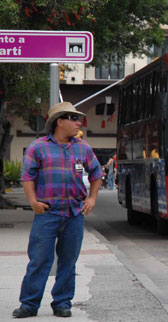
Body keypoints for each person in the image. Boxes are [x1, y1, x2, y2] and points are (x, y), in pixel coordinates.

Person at [12, 102, 103, 319]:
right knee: (39, 260)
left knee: (68, 261)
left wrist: (92, 197)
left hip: (74, 215)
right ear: (59, 121)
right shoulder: (38, 147)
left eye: (77, 119)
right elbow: (27, 177)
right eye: (73, 118)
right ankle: (29, 304)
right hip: (47, 214)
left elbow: (96, 173)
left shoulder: (83, 147)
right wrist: (33, 201)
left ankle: (62, 303)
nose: (78, 123)